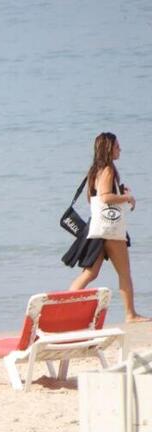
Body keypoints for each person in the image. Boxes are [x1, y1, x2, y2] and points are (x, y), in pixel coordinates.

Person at [68, 132, 148, 322]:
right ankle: (131, 314)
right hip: (110, 230)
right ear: (108, 148)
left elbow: (96, 197)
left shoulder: (95, 170)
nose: (120, 149)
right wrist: (127, 197)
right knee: (124, 273)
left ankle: (65, 305)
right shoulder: (108, 169)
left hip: (98, 228)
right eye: (117, 146)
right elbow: (105, 197)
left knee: (90, 273)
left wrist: (120, 192)